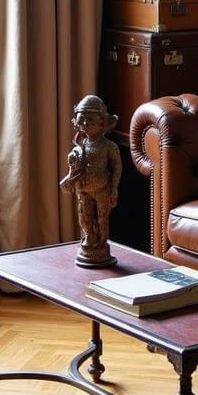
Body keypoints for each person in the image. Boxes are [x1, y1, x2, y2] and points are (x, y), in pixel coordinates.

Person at [60, 94, 122, 266]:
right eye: (82, 120)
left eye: (91, 120)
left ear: (103, 123)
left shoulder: (109, 147)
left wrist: (114, 186)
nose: (85, 124)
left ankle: (101, 242)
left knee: (102, 218)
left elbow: (117, 167)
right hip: (83, 190)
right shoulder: (80, 147)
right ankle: (89, 237)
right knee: (84, 216)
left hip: (102, 190)